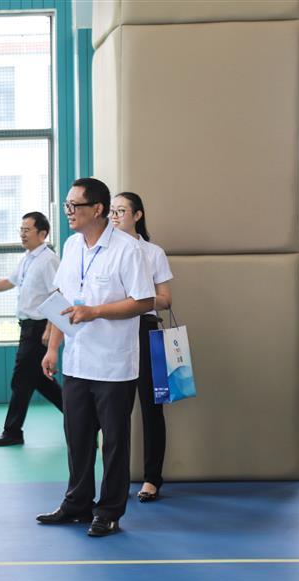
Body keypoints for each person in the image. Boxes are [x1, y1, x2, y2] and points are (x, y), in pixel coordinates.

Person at [38, 178, 154, 537]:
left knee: (114, 444)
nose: (68, 212)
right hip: (77, 362)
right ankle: (76, 504)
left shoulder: (127, 249)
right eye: (67, 205)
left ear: (98, 209)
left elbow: (144, 301)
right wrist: (53, 347)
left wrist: (96, 311)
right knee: (78, 438)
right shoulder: (72, 246)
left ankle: (109, 511)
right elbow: (62, 299)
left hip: (114, 365)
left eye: (75, 205)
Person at [109, 192, 173, 502]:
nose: (114, 216)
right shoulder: (103, 250)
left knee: (151, 407)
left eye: (121, 210)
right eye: (111, 210)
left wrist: (138, 299)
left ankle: (151, 479)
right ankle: (113, 481)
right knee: (113, 409)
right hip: (112, 331)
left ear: (137, 215)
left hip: (145, 330)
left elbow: (166, 300)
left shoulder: (153, 252)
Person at [0, 212, 63, 447]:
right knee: (39, 381)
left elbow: (57, 295)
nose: (22, 234)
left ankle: (12, 431)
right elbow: (9, 281)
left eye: (27, 230)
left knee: (20, 380)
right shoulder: (28, 258)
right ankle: (86, 419)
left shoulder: (48, 260)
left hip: (39, 328)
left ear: (42, 234)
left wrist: (50, 328)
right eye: (21, 230)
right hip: (27, 327)